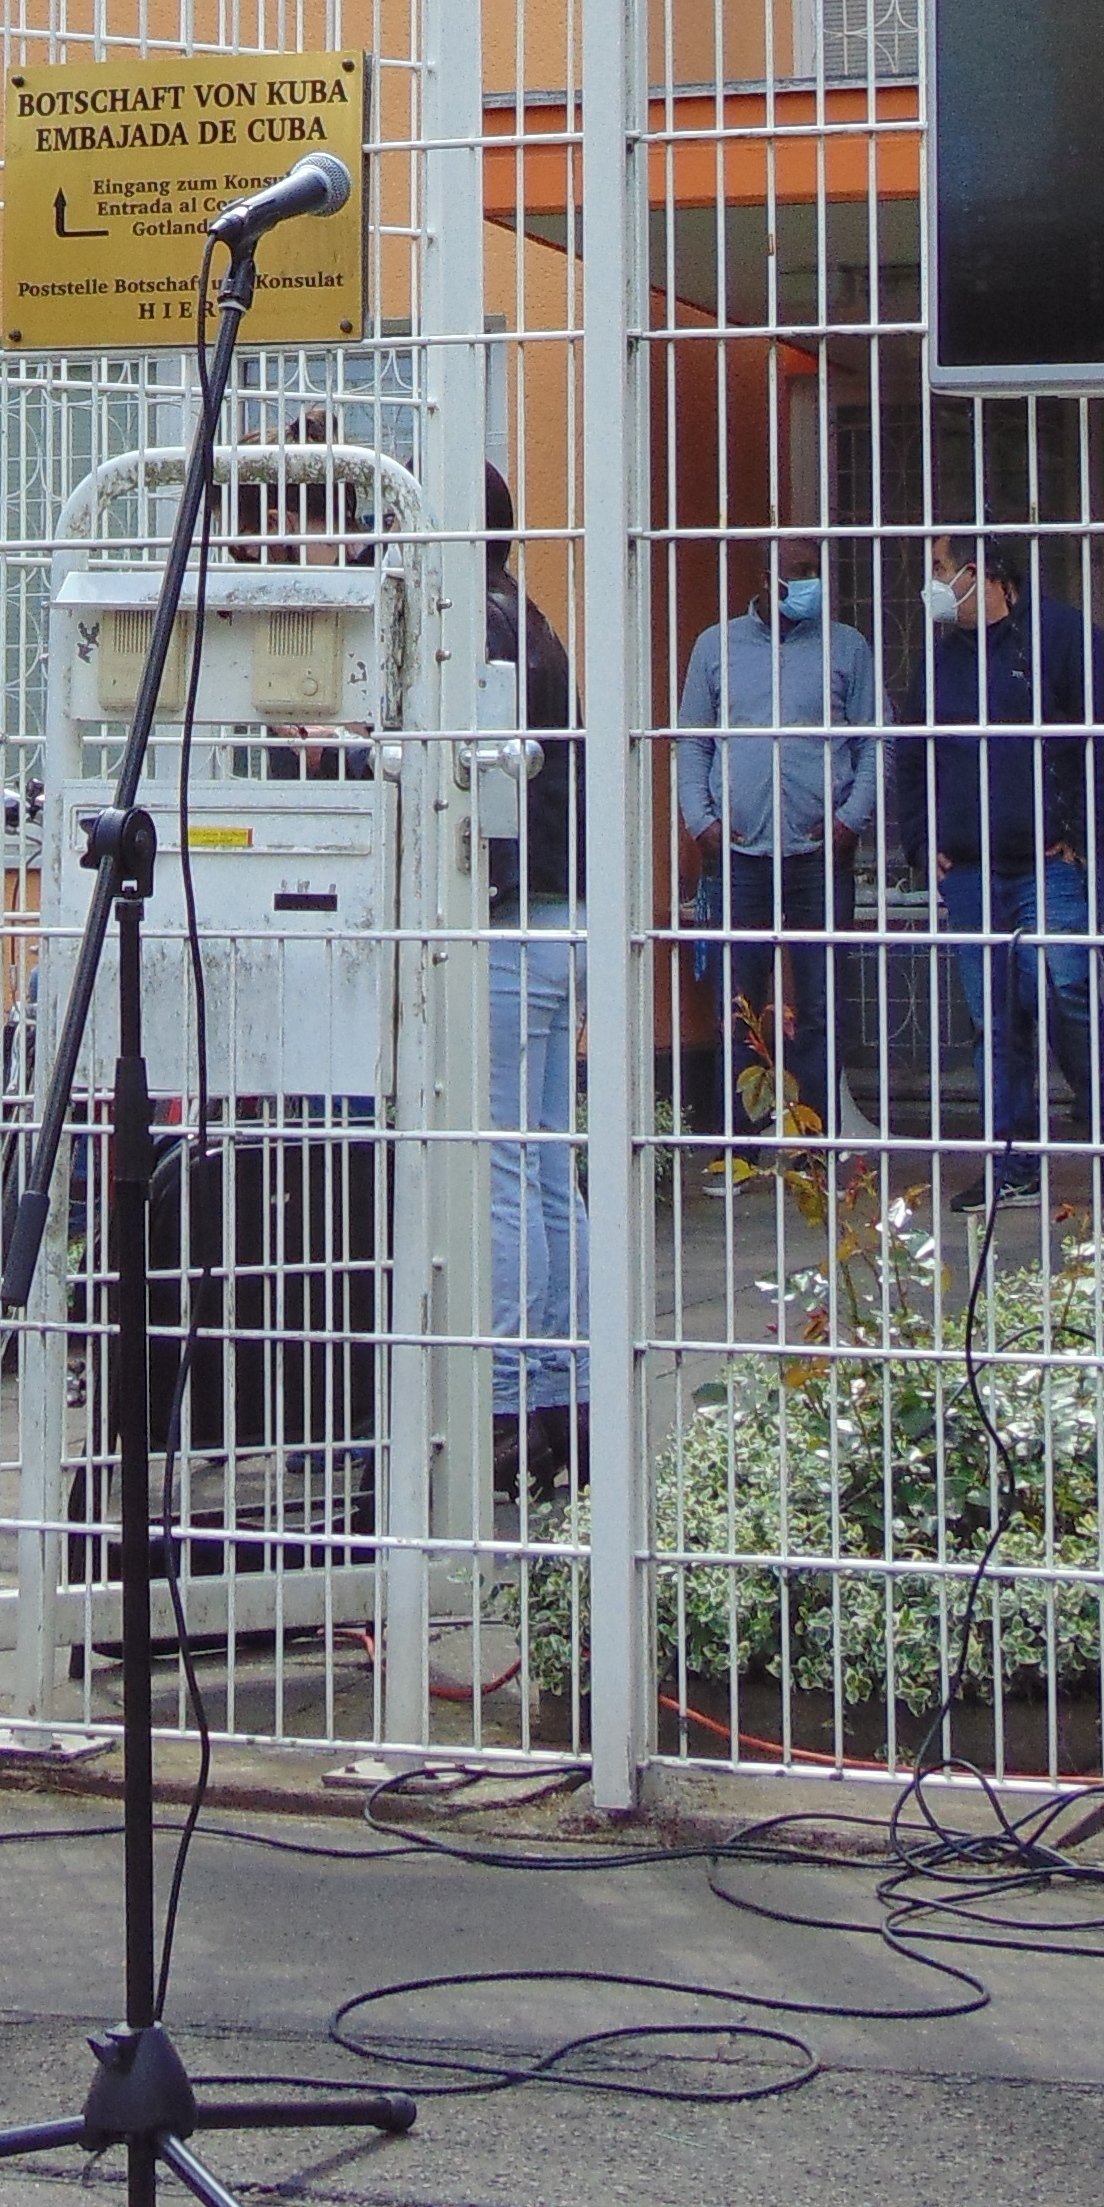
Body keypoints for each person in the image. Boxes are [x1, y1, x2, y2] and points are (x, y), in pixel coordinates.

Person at [895, 531, 1104, 1197]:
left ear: (980, 573)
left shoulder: (1060, 638)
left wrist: (1084, 833)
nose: (933, 584)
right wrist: (922, 844)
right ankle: (1011, 1161)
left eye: (941, 569)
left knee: (1065, 997)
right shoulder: (943, 659)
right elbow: (911, 755)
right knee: (994, 1018)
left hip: (1049, 864)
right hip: (971, 870)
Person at [673, 532, 877, 1147]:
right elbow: (691, 742)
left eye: (816, 569)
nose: (811, 580)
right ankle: (740, 1144)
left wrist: (852, 819)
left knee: (821, 1006)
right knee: (738, 1008)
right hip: (738, 855)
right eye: (799, 569)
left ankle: (815, 1147)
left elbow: (875, 742)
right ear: (767, 577)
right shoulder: (717, 647)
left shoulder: (846, 648)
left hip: (821, 853)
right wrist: (701, 821)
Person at [482, 470, 589, 1506]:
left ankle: (509, 1408)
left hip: (507, 921)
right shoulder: (534, 617)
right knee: (550, 1167)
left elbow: (446, 771)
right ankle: (573, 1388)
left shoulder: (473, 625)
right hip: (563, 913)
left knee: (502, 1171)